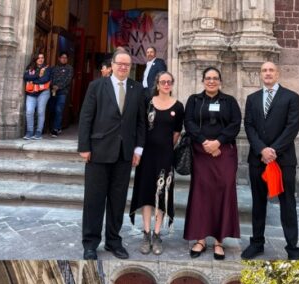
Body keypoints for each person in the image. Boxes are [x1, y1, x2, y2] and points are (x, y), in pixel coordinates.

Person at [77, 48, 146, 260]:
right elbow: (86, 117)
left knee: (117, 201)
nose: (124, 67)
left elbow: (141, 122)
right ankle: (90, 243)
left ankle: (114, 241)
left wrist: (138, 149)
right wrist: (84, 147)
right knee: (94, 200)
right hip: (98, 152)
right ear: (113, 65)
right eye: (120, 64)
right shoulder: (97, 86)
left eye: (128, 65)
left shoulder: (137, 89)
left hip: (125, 154)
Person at [242, 61, 299, 260]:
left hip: (283, 159)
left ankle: (292, 248)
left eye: (271, 70)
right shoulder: (252, 99)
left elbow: (292, 127)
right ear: (260, 74)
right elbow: (249, 126)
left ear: (277, 74)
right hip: (258, 159)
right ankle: (257, 243)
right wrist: (261, 150)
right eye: (264, 70)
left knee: (287, 203)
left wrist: (273, 150)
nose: (267, 73)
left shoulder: (291, 98)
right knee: (258, 202)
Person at [183, 66, 242, 260]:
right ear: (203, 81)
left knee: (224, 191)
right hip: (201, 151)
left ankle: (219, 241)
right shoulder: (194, 100)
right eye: (208, 78)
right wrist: (204, 142)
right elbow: (189, 123)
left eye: (215, 78)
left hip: (224, 152)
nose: (211, 81)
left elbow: (235, 124)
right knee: (202, 193)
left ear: (220, 81)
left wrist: (218, 142)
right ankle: (200, 239)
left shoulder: (230, 101)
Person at [130, 70, 184, 255]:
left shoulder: (178, 106)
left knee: (162, 194)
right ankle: (146, 232)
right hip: (147, 154)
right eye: (163, 82)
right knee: (146, 193)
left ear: (172, 83)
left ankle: (157, 233)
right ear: (157, 84)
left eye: (169, 82)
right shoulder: (148, 103)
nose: (166, 85)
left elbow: (176, 133)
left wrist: (168, 148)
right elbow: (142, 127)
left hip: (165, 155)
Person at [23, 52, 52, 140]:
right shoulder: (29, 67)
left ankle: (38, 132)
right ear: (35, 59)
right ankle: (30, 132)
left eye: (42, 57)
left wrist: (32, 81)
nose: (41, 59)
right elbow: (25, 77)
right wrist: (37, 76)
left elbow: (45, 79)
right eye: (39, 58)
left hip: (43, 92)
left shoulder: (47, 68)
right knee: (29, 111)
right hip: (31, 92)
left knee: (40, 112)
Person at [49, 52, 74, 137]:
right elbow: (50, 78)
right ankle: (57, 126)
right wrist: (53, 86)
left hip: (62, 92)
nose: (64, 59)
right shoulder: (54, 68)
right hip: (53, 91)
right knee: (52, 109)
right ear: (59, 58)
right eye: (62, 57)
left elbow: (68, 80)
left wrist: (58, 87)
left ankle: (55, 129)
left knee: (59, 110)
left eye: (66, 58)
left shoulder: (69, 68)